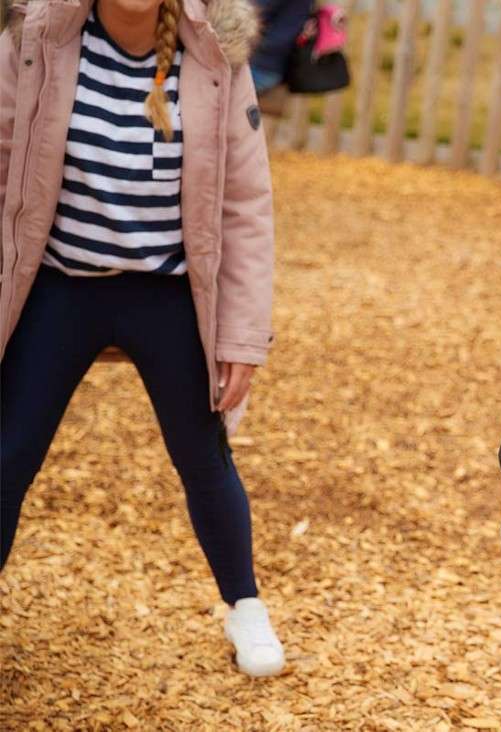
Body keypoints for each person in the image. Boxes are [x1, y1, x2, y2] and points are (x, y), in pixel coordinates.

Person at [0, 0, 284, 677]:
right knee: (8, 451)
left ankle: (244, 606)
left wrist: (241, 336)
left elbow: (246, 203)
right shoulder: (40, 40)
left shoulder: (213, 56)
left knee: (203, 454)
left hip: (167, 291)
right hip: (59, 283)